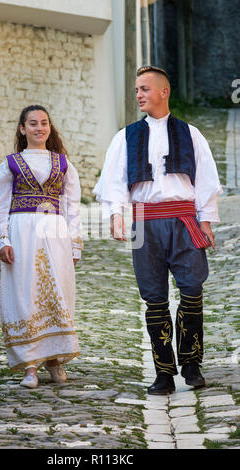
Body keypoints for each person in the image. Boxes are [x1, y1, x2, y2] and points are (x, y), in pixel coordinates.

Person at [93, 66, 222, 395]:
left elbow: (206, 180)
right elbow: (114, 181)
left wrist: (206, 220)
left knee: (192, 290)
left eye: (145, 88)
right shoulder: (125, 136)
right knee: (154, 298)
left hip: (183, 219)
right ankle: (164, 373)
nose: (139, 94)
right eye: (137, 89)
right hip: (144, 222)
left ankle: (192, 365)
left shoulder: (191, 133)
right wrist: (115, 216)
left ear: (164, 92)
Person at [0, 105, 83, 389]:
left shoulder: (63, 164)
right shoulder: (10, 164)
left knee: (57, 291)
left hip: (54, 233)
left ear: (49, 128)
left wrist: (74, 244)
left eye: (44, 123)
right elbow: (0, 205)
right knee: (24, 292)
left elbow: (72, 208)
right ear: (22, 129)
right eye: (32, 123)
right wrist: (3, 239)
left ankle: (54, 358)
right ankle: (30, 365)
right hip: (22, 233)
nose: (39, 128)